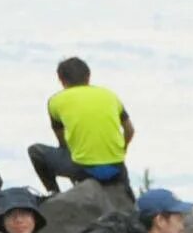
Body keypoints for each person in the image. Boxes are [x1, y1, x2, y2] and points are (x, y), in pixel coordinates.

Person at [31, 57, 133, 195]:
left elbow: (63, 143)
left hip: (83, 169)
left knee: (35, 151)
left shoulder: (55, 101)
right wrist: (123, 148)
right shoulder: (109, 95)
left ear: (61, 79)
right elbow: (129, 130)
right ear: (88, 76)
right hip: (117, 167)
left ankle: (53, 193)